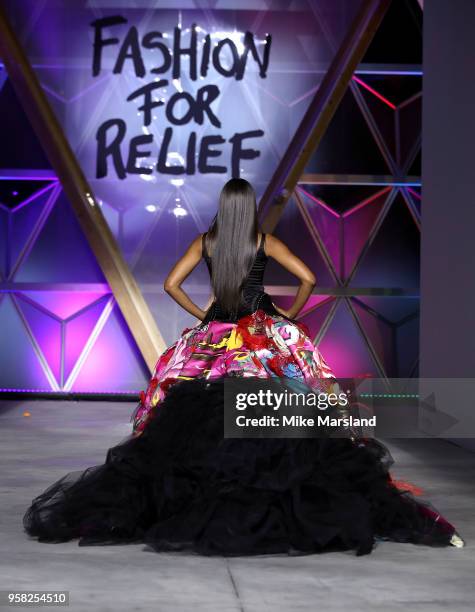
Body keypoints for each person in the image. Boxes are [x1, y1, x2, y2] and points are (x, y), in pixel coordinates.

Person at [23, 178, 464, 555]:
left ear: (222, 208)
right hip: (262, 331)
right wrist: (287, 317)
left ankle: (201, 494)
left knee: (198, 413)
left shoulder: (207, 241)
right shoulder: (264, 241)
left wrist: (204, 319)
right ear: (249, 208)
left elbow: (170, 284)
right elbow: (308, 277)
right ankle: (276, 492)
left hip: (216, 334)